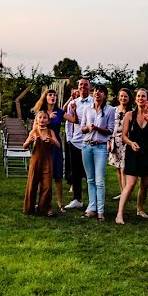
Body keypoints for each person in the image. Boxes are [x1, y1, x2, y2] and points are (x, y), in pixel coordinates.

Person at [66, 85, 115, 221]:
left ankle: (100, 210)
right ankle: (91, 208)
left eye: (100, 91)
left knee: (99, 180)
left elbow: (110, 130)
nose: (97, 93)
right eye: (95, 91)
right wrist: (87, 128)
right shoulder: (88, 109)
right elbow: (82, 129)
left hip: (100, 147)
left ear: (105, 95)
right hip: (86, 146)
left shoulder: (110, 110)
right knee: (90, 179)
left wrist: (97, 128)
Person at [114, 88, 148, 225]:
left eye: (143, 96)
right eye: (138, 96)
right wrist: (131, 143)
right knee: (130, 184)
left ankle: (140, 209)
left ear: (147, 99)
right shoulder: (129, 115)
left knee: (144, 185)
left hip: (147, 153)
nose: (140, 98)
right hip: (133, 152)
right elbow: (124, 136)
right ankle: (119, 214)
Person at [32, 88, 67, 212]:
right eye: (50, 95)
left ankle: (60, 204)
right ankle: (43, 202)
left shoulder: (59, 112)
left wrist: (71, 103)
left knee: (58, 175)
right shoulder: (41, 112)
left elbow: (74, 120)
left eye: (55, 95)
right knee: (44, 175)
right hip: (44, 146)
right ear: (45, 97)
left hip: (56, 145)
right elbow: (35, 127)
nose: (53, 97)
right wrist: (49, 119)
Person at [22, 110, 61, 216]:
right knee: (32, 184)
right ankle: (29, 208)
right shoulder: (34, 132)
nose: (42, 120)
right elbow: (24, 145)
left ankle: (43, 208)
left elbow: (58, 145)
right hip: (35, 161)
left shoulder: (50, 132)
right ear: (36, 120)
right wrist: (29, 141)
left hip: (48, 161)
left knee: (47, 185)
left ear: (48, 121)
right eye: (40, 117)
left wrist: (53, 141)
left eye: (44, 118)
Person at [63, 78, 93, 210]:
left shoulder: (95, 102)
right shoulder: (73, 103)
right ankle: (77, 199)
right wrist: (70, 138)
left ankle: (94, 201)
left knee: (90, 174)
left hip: (90, 142)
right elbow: (69, 123)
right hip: (75, 142)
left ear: (90, 87)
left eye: (85, 85)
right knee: (75, 172)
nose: (83, 87)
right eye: (81, 84)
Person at [108, 88, 130, 196]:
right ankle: (122, 191)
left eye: (125, 96)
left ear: (129, 98)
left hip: (125, 140)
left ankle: (125, 192)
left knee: (123, 167)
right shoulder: (113, 110)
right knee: (118, 167)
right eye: (121, 96)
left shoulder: (131, 111)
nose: (123, 98)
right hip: (114, 141)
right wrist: (109, 141)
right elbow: (110, 125)